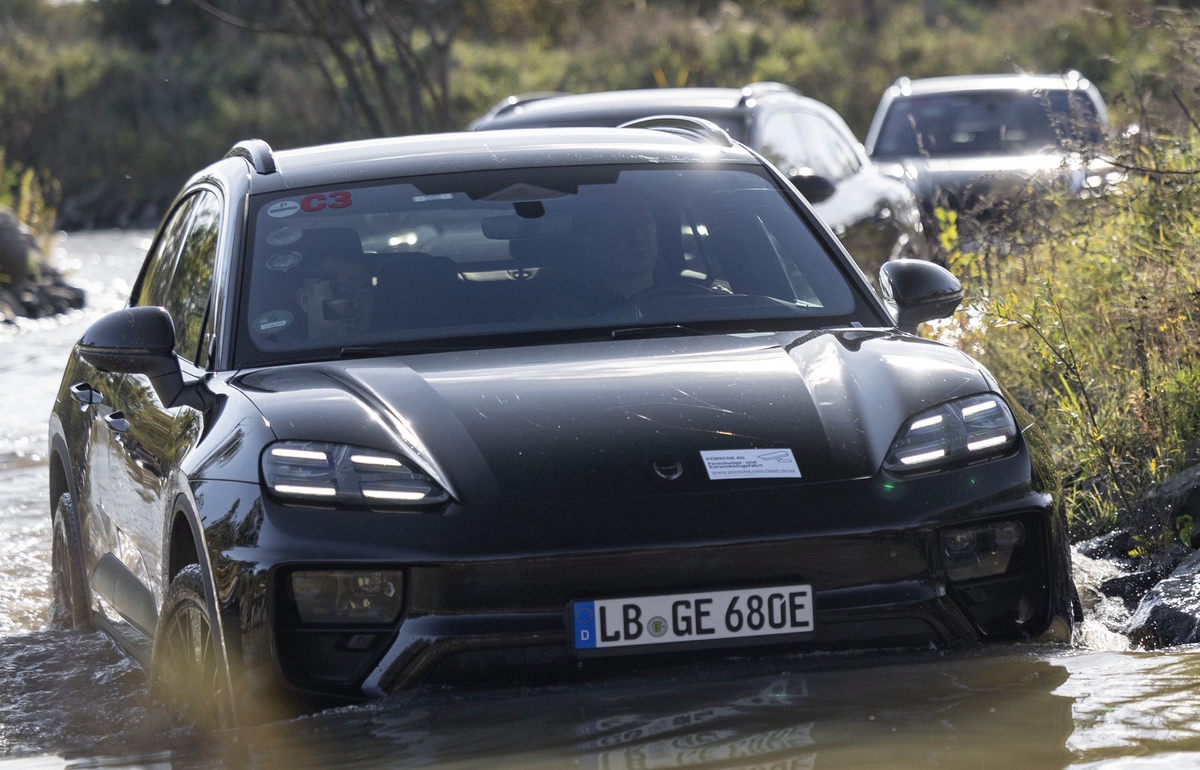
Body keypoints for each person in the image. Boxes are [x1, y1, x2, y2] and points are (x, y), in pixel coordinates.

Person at [296, 256, 375, 340]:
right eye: (342, 293)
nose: (356, 304)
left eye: (365, 293)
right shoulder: (285, 350)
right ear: (306, 301)